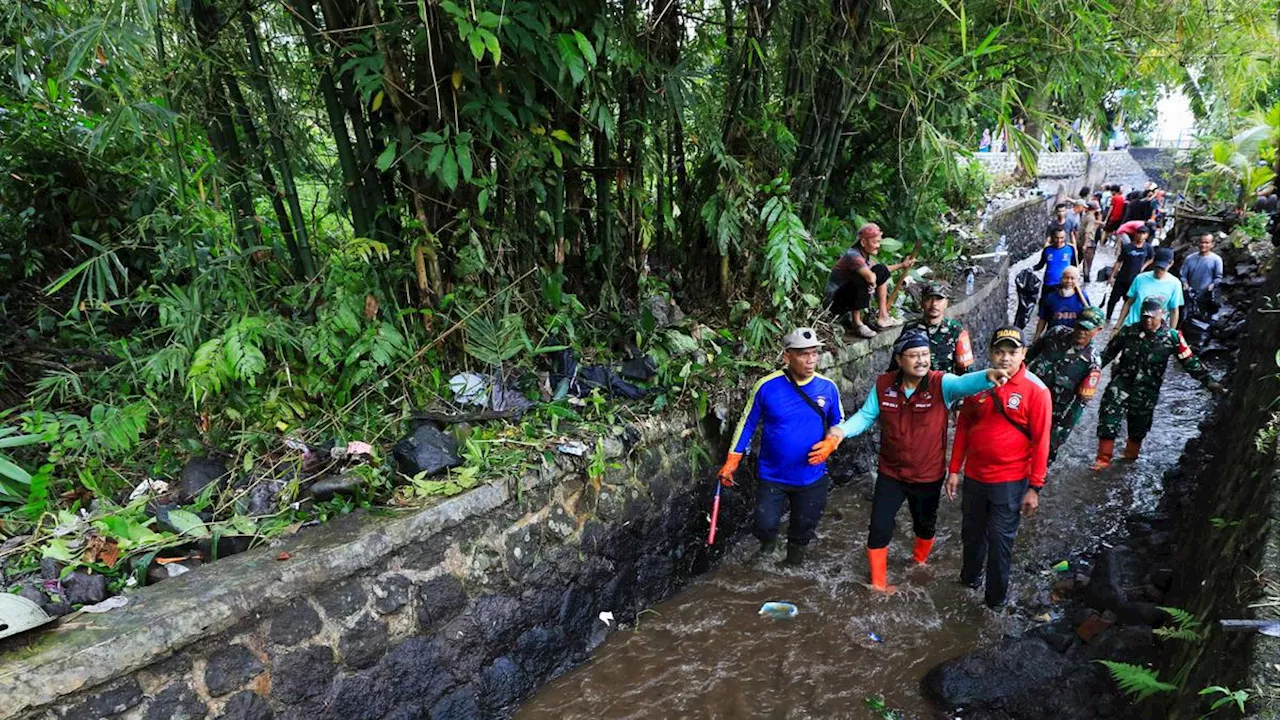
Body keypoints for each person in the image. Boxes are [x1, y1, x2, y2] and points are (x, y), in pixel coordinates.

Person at [807, 330, 1010, 593]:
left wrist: (987, 376)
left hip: (927, 475)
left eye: (925, 354)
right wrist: (839, 433)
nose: (921, 361)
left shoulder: (941, 384)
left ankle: (919, 560)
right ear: (899, 359)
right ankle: (878, 585)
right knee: (879, 526)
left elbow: (963, 383)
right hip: (891, 472)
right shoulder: (884, 385)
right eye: (914, 355)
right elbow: (866, 416)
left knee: (924, 524)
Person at [718, 328, 844, 567]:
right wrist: (732, 459)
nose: (811, 360)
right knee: (764, 524)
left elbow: (838, 422)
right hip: (772, 474)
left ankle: (792, 565)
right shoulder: (767, 386)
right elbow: (748, 423)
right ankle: (768, 548)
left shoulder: (827, 387)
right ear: (787, 356)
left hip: (812, 476)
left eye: (815, 353)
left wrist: (831, 442)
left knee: (803, 528)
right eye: (804, 354)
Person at [946, 327, 1052, 610]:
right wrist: (954, 469)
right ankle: (969, 582)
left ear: (1024, 354)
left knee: (1000, 540)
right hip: (975, 477)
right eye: (999, 351)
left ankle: (995, 603)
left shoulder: (1037, 391)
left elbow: (1042, 442)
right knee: (971, 533)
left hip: (1010, 481)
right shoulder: (977, 383)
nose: (1005, 358)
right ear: (990, 353)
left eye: (1012, 352)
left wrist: (1034, 487)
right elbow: (964, 428)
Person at [1090, 299, 1225, 469]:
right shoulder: (1129, 331)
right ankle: (1103, 460)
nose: (1148, 320)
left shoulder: (1172, 338)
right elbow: (1107, 355)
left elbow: (1190, 362)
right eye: (1145, 316)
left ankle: (1128, 461)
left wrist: (1210, 382)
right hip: (1122, 383)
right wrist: (1087, 373)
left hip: (1147, 389)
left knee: (1138, 427)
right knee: (1108, 417)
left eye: (1152, 317)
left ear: (1163, 315)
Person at [1027, 307, 1104, 462]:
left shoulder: (1092, 363)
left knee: (1041, 457)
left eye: (1087, 329)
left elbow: (1079, 404)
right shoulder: (1055, 333)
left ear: (1098, 330)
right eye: (1079, 327)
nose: (1081, 332)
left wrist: (1060, 434)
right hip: (1028, 400)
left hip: (1053, 414)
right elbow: (1027, 357)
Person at [825, 223, 915, 339]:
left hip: (845, 299)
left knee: (880, 269)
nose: (878, 246)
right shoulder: (853, 256)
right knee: (863, 277)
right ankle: (857, 323)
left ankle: (883, 316)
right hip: (834, 302)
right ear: (863, 242)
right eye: (875, 242)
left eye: (879, 242)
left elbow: (882, 271)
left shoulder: (863, 257)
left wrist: (903, 265)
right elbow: (870, 277)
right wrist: (872, 283)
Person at [897, 282, 974, 375]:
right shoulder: (911, 328)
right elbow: (897, 363)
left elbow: (965, 369)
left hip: (945, 385)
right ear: (922, 303)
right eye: (929, 299)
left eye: (939, 299)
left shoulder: (956, 330)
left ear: (946, 303)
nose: (934, 304)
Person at [1116, 247, 1184, 329]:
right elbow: (1128, 303)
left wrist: (1172, 332)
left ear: (1171, 264)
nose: (1159, 270)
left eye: (1162, 268)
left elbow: (1174, 311)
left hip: (1154, 330)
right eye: (1157, 267)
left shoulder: (1175, 284)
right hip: (1132, 325)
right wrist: (1117, 325)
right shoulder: (1140, 278)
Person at [1104, 224, 1155, 323]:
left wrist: (1143, 266)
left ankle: (1123, 321)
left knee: (1129, 302)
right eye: (1139, 233)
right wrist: (1112, 276)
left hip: (1135, 280)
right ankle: (1108, 319)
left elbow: (1151, 258)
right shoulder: (1128, 247)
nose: (1140, 236)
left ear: (1147, 235)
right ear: (1135, 234)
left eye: (1143, 234)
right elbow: (1119, 261)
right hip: (1122, 277)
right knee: (1112, 300)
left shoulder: (1148, 248)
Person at [1034, 266, 1090, 341]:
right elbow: (1043, 319)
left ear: (1078, 281)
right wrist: (1037, 336)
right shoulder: (1050, 298)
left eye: (1072, 278)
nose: (1069, 281)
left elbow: (1089, 318)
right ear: (1061, 279)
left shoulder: (1083, 297)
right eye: (1066, 278)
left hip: (1073, 339)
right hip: (1053, 338)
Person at [1034, 226, 1078, 295]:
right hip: (1049, 284)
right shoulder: (1047, 250)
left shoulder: (1070, 249)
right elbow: (1040, 265)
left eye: (1062, 238)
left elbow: (1074, 267)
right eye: (1057, 238)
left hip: (1064, 284)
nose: (1059, 240)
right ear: (1052, 237)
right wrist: (1030, 269)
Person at [1181, 231, 1223, 296]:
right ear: (1198, 243)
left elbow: (1218, 277)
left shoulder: (1216, 260)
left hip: (1206, 294)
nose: (1203, 245)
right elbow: (1183, 275)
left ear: (1212, 244)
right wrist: (1185, 283)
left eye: (1207, 243)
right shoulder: (1189, 258)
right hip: (1190, 293)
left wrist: (1212, 285)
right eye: (1201, 242)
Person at [1080, 200, 1103, 280]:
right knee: (1087, 263)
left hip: (1081, 240)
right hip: (1089, 243)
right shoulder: (1091, 218)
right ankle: (1086, 278)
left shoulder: (1086, 215)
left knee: (1082, 261)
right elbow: (1088, 232)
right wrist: (1086, 244)